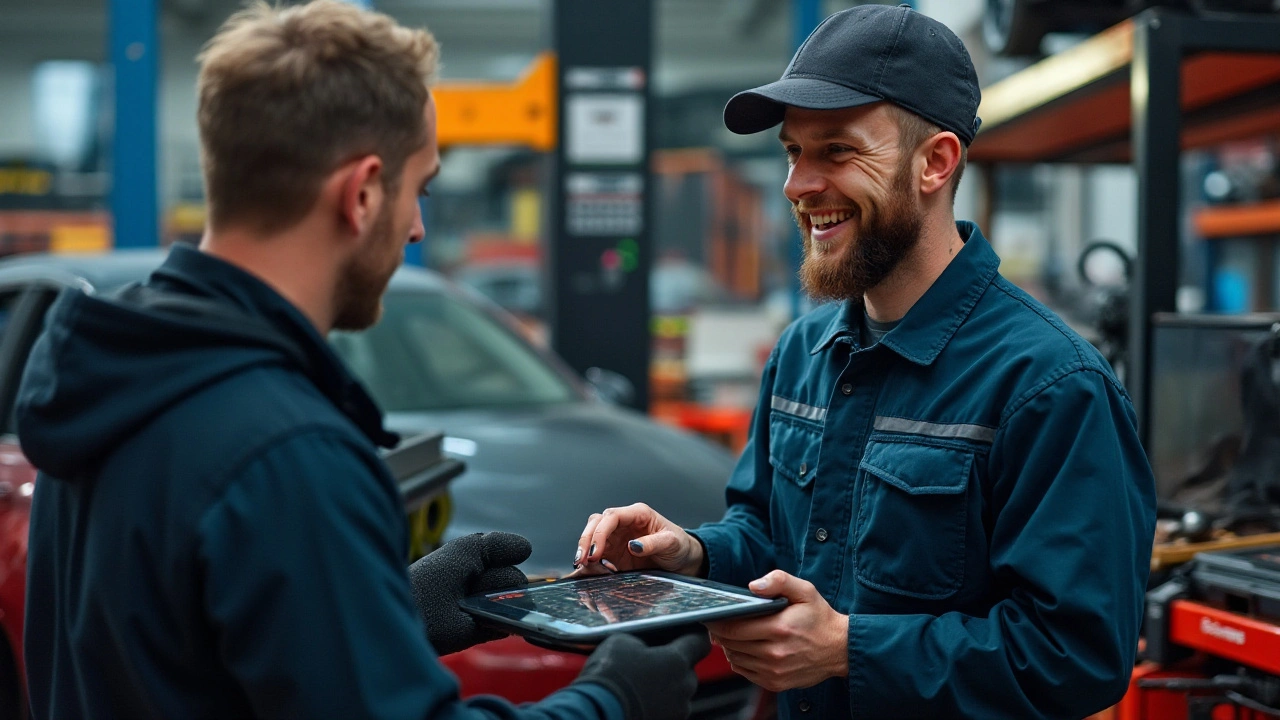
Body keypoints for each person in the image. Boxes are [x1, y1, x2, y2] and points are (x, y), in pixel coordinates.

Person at [18, 2, 707, 718]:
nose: (414, 228)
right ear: (363, 191)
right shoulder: (287, 455)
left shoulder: (112, 382)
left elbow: (186, 658)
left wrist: (391, 612)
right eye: (421, 191)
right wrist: (614, 700)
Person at [573, 5, 1157, 719]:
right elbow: (770, 533)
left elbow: (1079, 656)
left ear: (935, 162)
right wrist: (693, 554)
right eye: (793, 152)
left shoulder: (1049, 387)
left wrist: (851, 647)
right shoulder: (802, 352)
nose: (798, 185)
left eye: (838, 153)